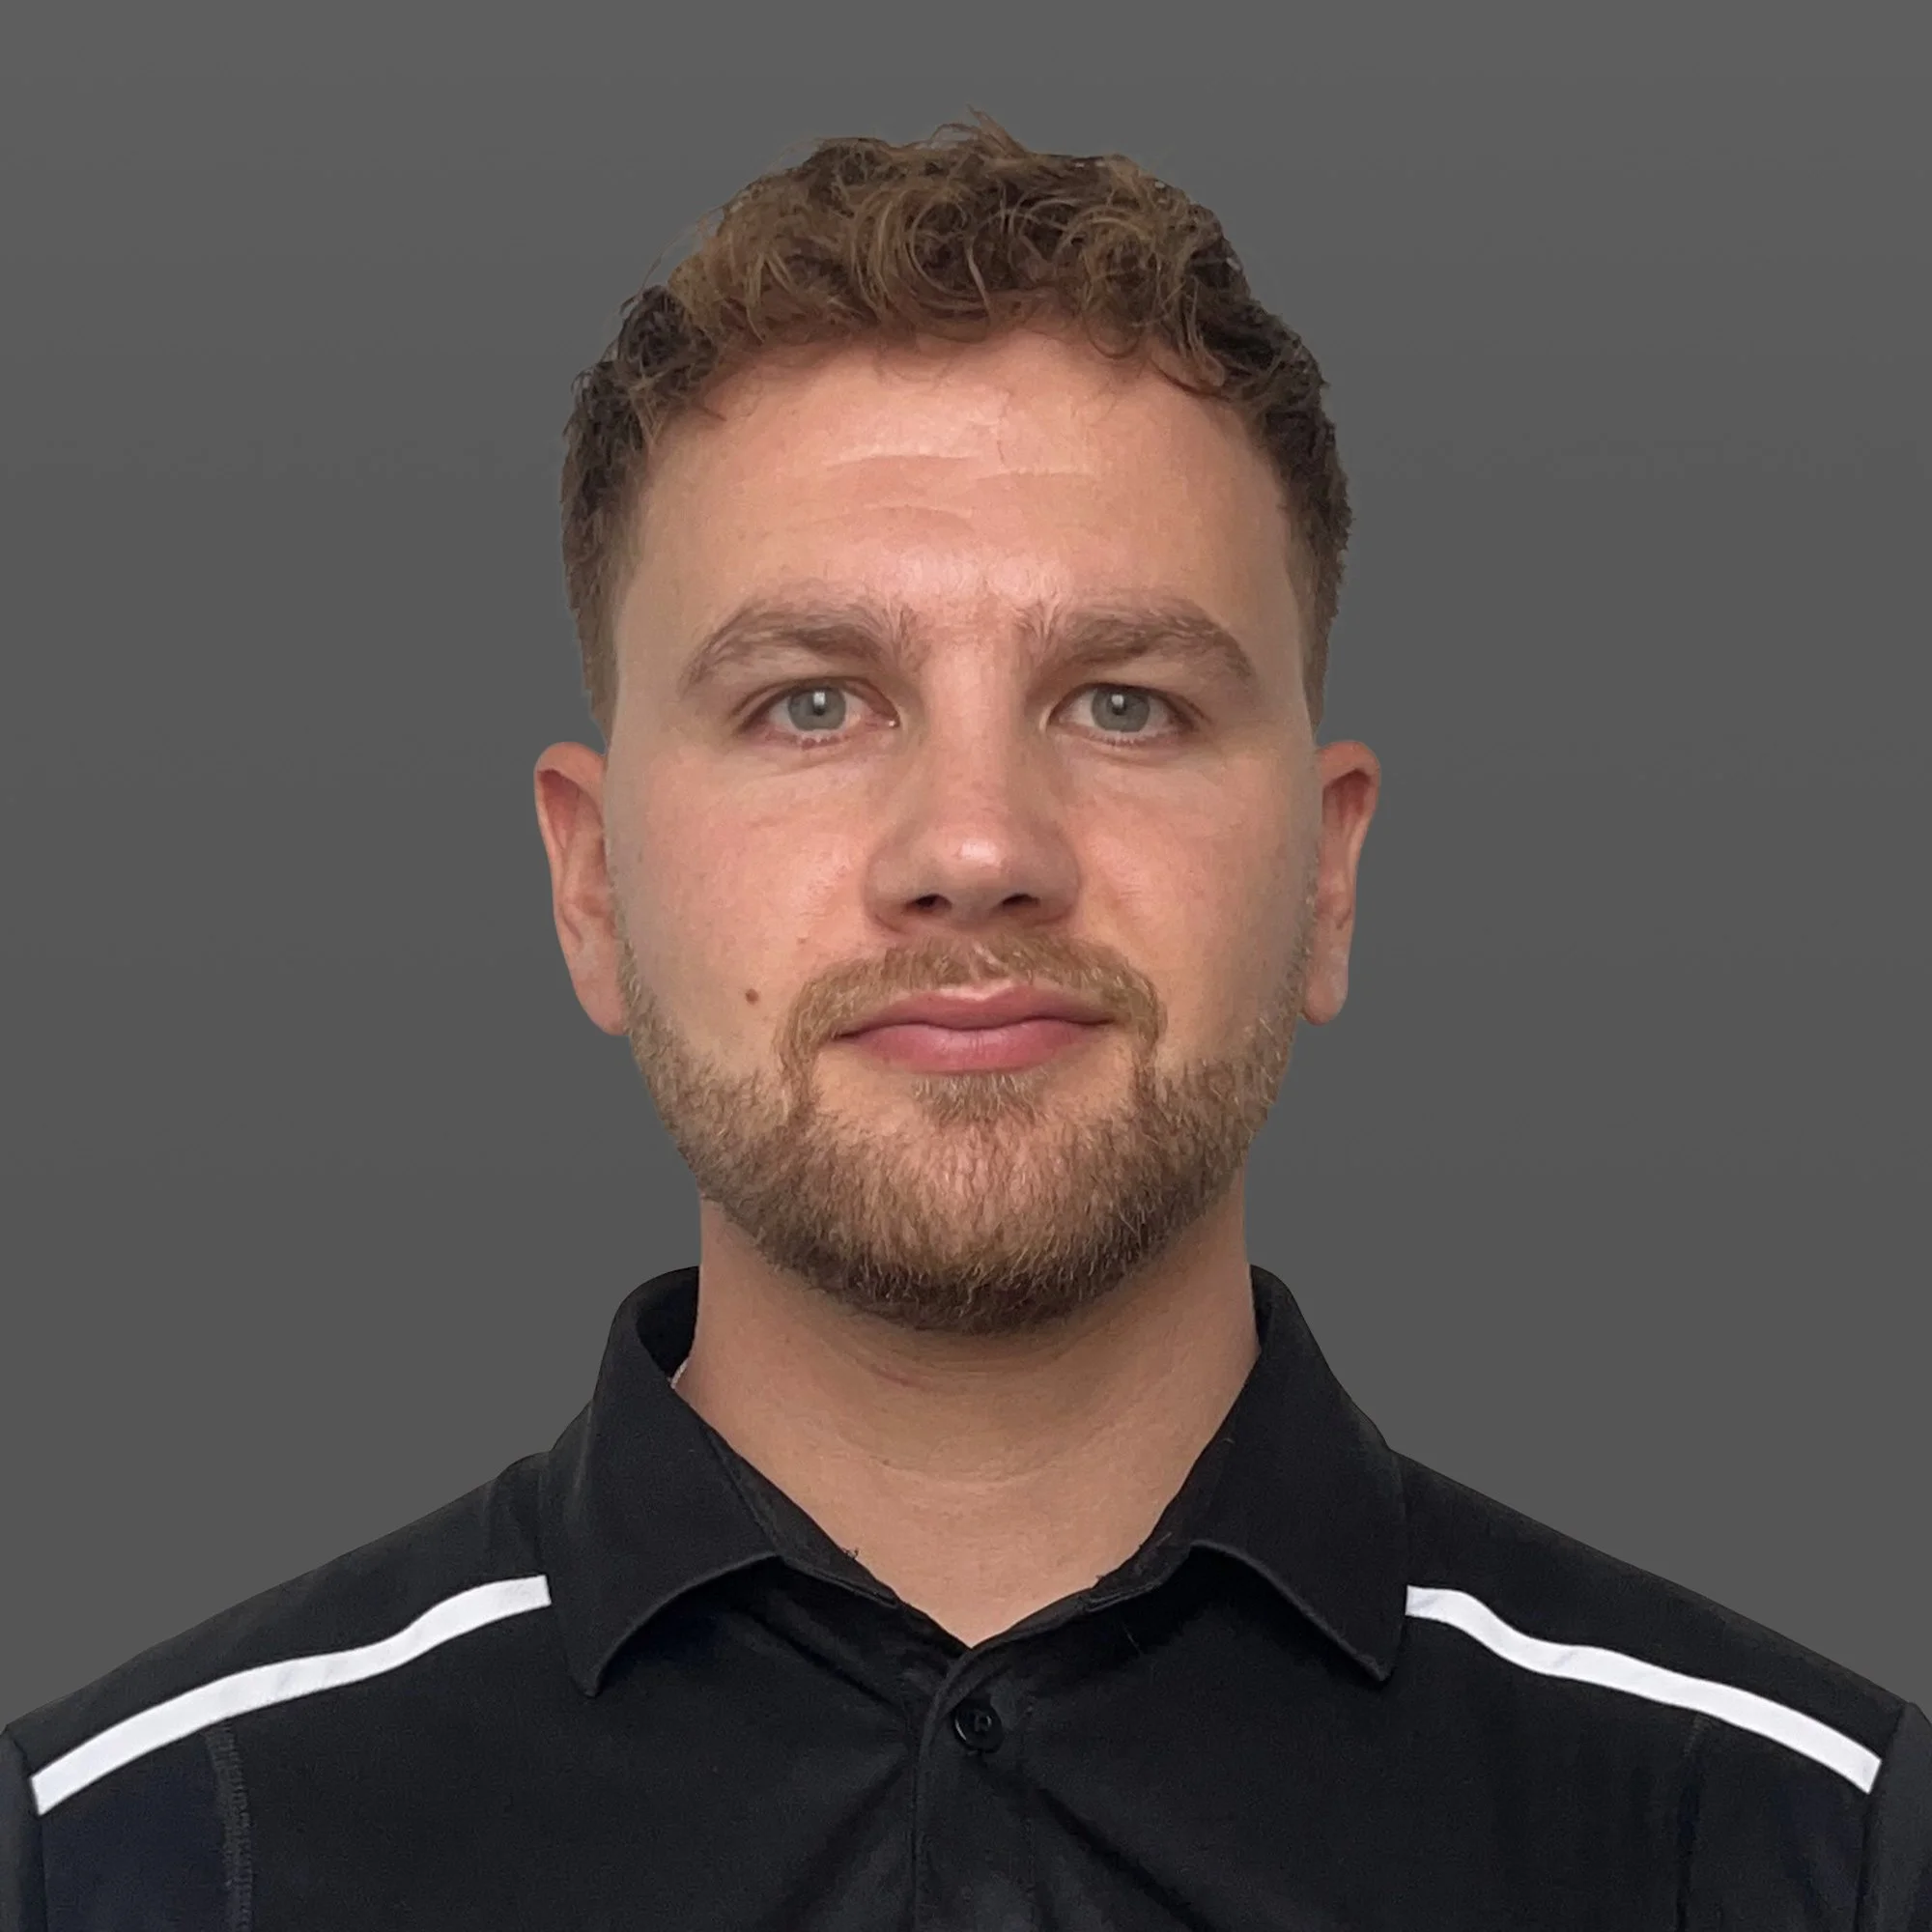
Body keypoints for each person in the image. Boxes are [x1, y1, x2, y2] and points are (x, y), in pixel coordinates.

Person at [4, 108, 1925, 1930]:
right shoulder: (142, 1852)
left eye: (1124, 701)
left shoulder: (1806, 1845)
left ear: (1326, 875)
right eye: (814, 701)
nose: (979, 848)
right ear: (590, 886)